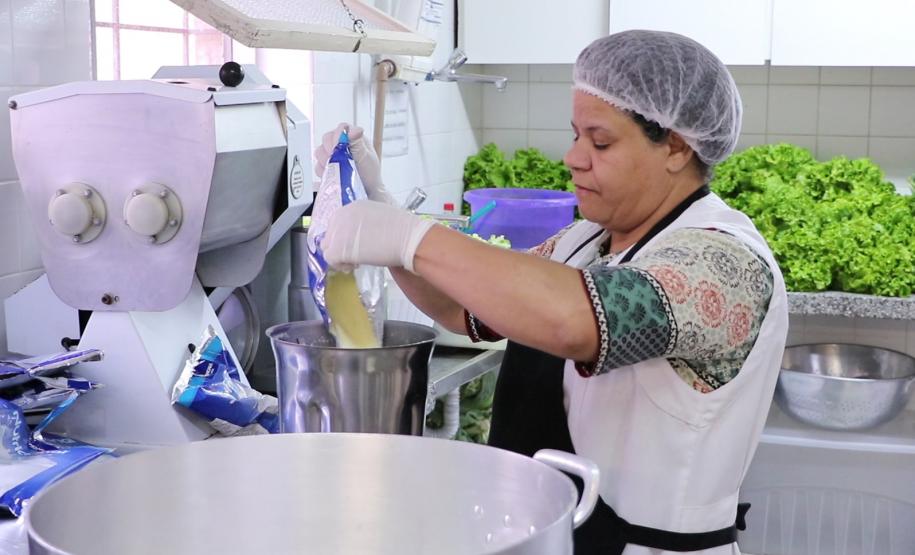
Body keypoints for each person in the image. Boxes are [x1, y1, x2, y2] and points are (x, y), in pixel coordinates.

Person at [314, 30, 787, 555]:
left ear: (676, 146)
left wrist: (411, 238)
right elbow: (466, 305)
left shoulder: (724, 261)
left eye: (600, 142)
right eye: (576, 135)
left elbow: (576, 318)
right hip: (550, 537)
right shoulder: (586, 239)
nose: (573, 157)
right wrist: (386, 217)